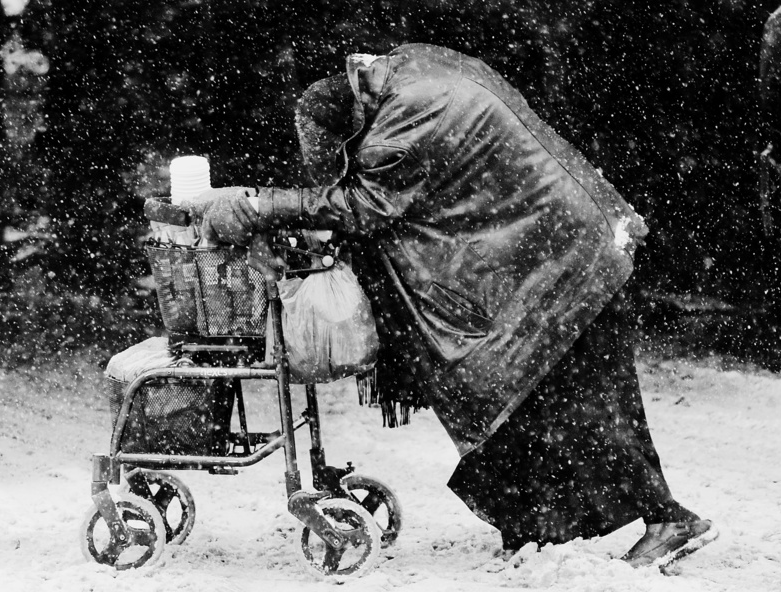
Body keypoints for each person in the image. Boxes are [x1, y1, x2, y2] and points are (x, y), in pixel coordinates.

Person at [189, 43, 718, 568]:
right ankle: (538, 525)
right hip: (565, 242)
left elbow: (367, 207)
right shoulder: (405, 69)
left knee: (580, 398)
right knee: (540, 394)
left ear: (350, 132)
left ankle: (668, 519)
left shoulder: (400, 122)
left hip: (566, 261)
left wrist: (260, 205)